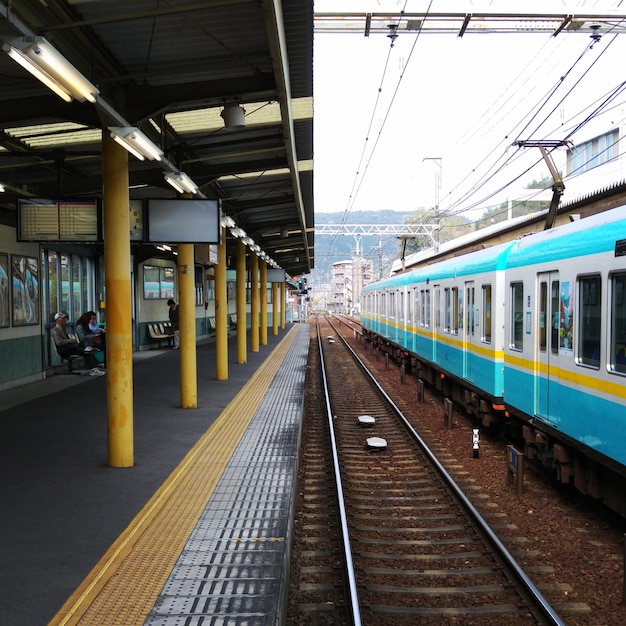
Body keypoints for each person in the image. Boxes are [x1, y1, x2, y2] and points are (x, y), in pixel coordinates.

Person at [51, 311, 104, 376]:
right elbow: (59, 342)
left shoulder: (63, 328)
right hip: (63, 350)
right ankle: (92, 365)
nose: (64, 320)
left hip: (68, 348)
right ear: (57, 320)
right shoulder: (55, 330)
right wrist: (71, 340)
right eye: (62, 318)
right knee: (85, 350)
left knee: (86, 351)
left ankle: (93, 367)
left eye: (65, 318)